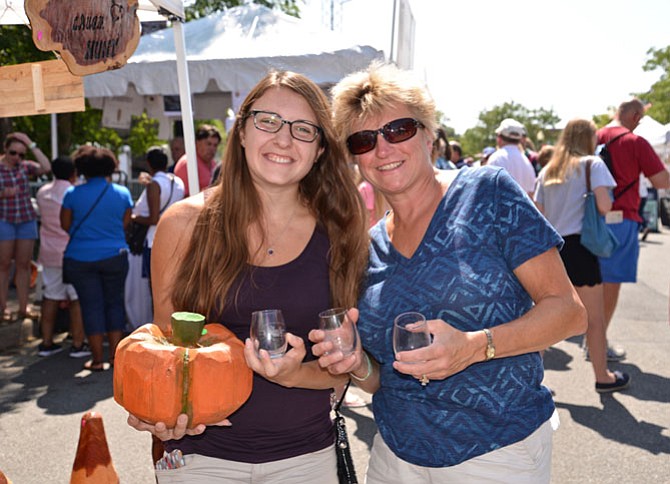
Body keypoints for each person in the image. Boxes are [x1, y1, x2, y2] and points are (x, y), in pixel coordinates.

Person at [311, 62, 586, 483]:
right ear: (354, 157)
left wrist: (476, 346)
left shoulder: (487, 193)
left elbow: (568, 311)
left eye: (398, 130)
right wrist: (356, 362)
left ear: (428, 135)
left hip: (496, 452)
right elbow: (381, 377)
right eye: (364, 140)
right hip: (395, 456)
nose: (382, 149)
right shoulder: (365, 248)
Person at [127, 70, 368, 483]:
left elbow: (343, 369)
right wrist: (159, 413)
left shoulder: (342, 232)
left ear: (321, 150)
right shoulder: (183, 225)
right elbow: (164, 354)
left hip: (306, 459)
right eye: (267, 120)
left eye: (304, 129)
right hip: (200, 459)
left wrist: (294, 374)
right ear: (240, 132)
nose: (284, 139)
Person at [534, 119, 630, 393]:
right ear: (588, 139)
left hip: (551, 249)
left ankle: (533, 384)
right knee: (594, 319)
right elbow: (604, 206)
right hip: (581, 248)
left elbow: (537, 213)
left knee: (544, 320)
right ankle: (603, 376)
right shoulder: (593, 164)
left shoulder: (548, 170)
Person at [596, 98, 670, 361]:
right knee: (610, 283)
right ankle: (597, 340)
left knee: (588, 282)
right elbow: (662, 180)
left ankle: (590, 336)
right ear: (636, 116)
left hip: (587, 220)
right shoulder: (635, 142)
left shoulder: (594, 136)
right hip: (621, 218)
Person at [61, 146, 133, 372]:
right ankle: (115, 357)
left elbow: (65, 225)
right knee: (114, 303)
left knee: (91, 305)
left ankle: (97, 359)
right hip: (114, 255)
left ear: (82, 168)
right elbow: (125, 222)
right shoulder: (122, 193)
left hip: (81, 257)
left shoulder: (72, 194)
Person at [35, 156, 90, 359]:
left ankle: (46, 342)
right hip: (71, 250)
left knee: (50, 296)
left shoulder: (42, 192)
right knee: (76, 298)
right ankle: (78, 343)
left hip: (48, 252)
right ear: (73, 173)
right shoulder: (73, 193)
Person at [125, 147, 184, 329]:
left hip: (154, 241)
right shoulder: (178, 182)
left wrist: (133, 217)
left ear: (148, 163)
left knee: (156, 290)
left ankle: (159, 330)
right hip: (177, 239)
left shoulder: (154, 185)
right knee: (173, 288)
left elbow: (153, 218)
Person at [0, 132, 50, 322]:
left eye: (21, 154)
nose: (17, 158)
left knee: (24, 265)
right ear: (5, 149)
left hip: (25, 219)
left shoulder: (25, 166)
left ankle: (23, 307)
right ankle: (3, 308)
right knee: (3, 265)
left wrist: (31, 143)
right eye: (13, 153)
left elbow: (46, 167)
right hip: (4, 219)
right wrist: (3, 193)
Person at [487, 118, 537, 196]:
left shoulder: (496, 159)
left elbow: (488, 191)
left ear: (499, 138)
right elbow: (531, 193)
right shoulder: (527, 162)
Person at [173, 124, 221, 196]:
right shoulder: (187, 163)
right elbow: (184, 196)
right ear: (197, 143)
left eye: (215, 145)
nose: (212, 149)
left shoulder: (213, 164)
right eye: (208, 144)